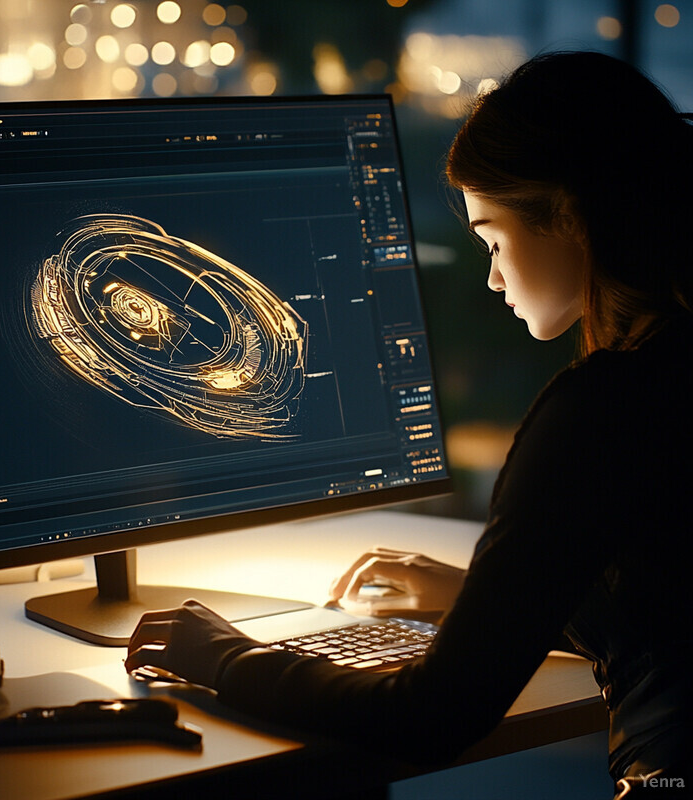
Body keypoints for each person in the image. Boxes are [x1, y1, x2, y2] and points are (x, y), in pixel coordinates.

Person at [125, 51, 693, 797]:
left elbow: (430, 716)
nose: (491, 276)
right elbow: (665, 603)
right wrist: (487, 600)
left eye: (493, 238)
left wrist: (223, 657)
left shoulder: (600, 411)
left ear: (569, 212)